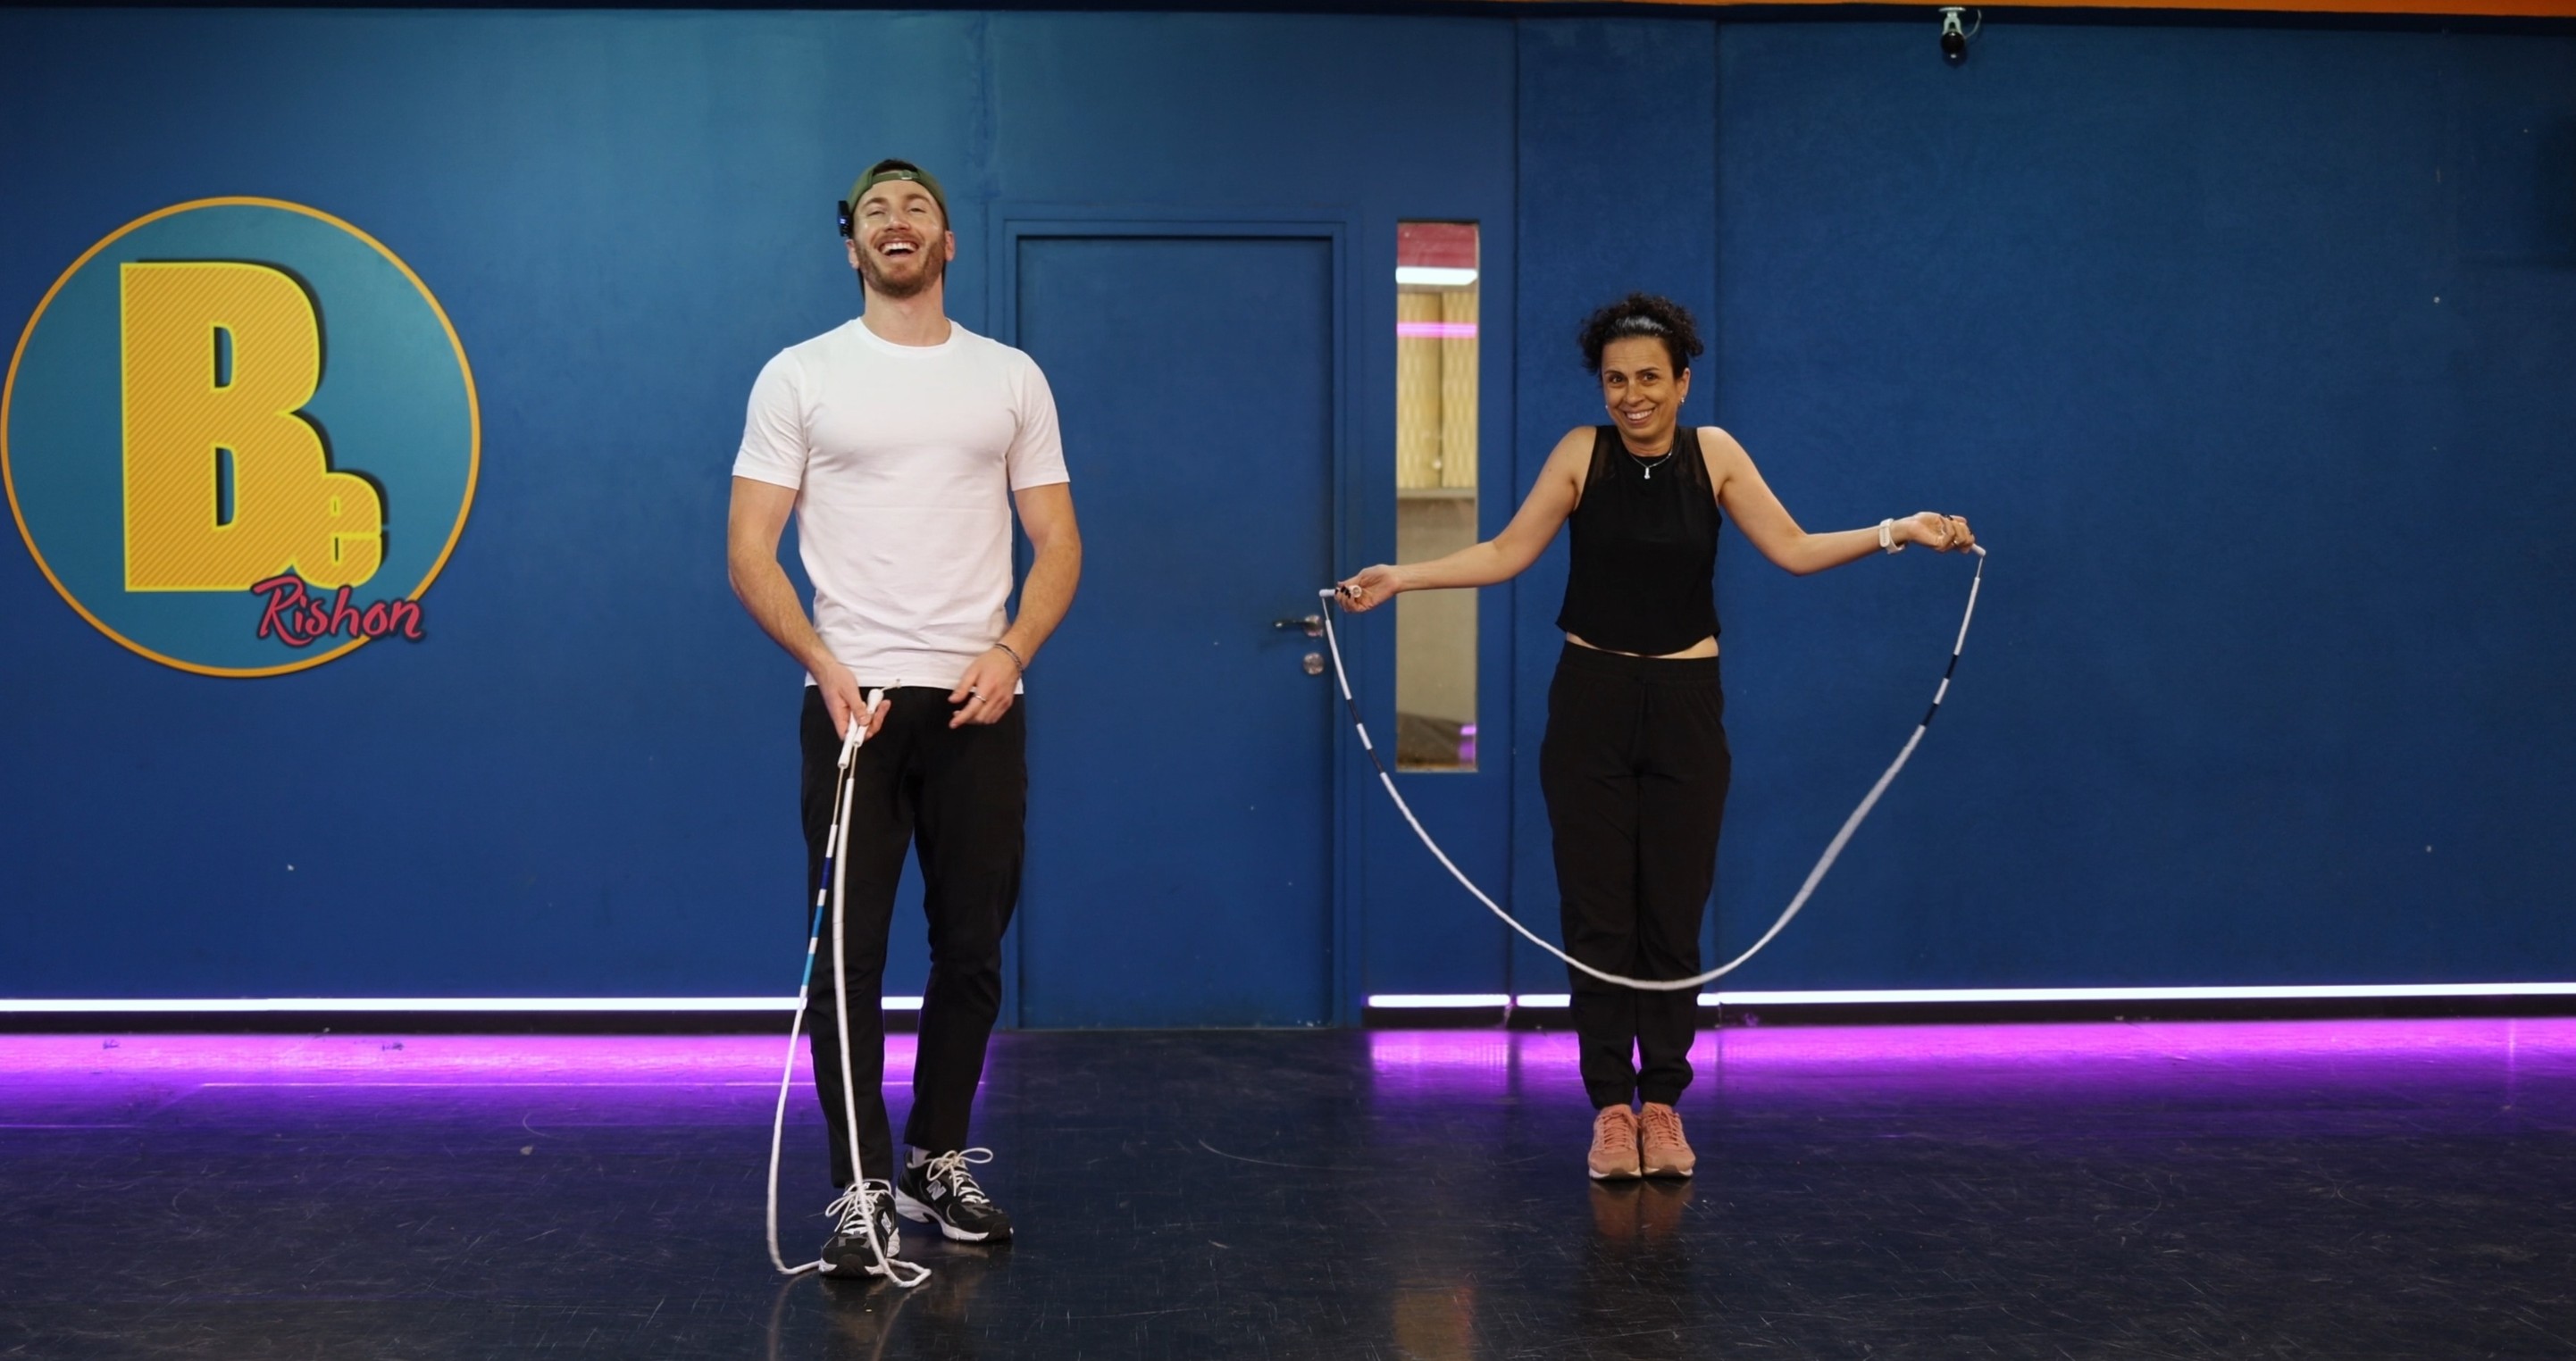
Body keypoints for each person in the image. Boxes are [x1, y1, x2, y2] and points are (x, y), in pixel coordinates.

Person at [1336, 293, 1972, 1181]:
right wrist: (1402, 578)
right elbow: (1506, 552)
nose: (1630, 396)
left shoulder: (1712, 455)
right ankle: (1609, 1111)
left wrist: (1895, 532)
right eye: (1614, 380)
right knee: (1598, 917)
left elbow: (1789, 548)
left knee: (1671, 915)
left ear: (1681, 381)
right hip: (1590, 699)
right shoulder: (1578, 455)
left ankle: (1663, 1106)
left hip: (1684, 701)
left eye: (1647, 378)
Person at [727, 158, 1082, 1275]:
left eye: (916, 208)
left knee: (971, 950)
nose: (896, 222)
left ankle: (935, 1160)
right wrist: (823, 661)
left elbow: (1059, 545)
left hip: (982, 704)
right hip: (855, 709)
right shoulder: (800, 376)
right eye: (875, 210)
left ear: (946, 244)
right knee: (851, 958)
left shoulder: (1010, 378)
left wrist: (1012, 649)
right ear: (851, 246)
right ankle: (859, 1187)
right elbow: (750, 551)